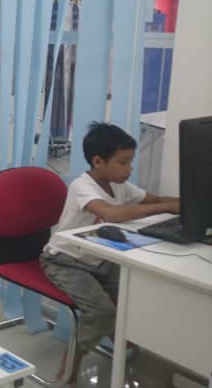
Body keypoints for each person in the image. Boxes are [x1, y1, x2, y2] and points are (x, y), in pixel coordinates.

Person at [40, 122, 179, 383]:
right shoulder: (82, 186)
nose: (129, 169)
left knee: (141, 296)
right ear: (98, 161)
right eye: (123, 162)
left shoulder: (120, 186)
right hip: (65, 260)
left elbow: (155, 199)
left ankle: (117, 334)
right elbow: (110, 213)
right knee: (101, 312)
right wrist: (167, 208)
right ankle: (71, 364)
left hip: (100, 260)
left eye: (130, 162)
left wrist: (185, 203)